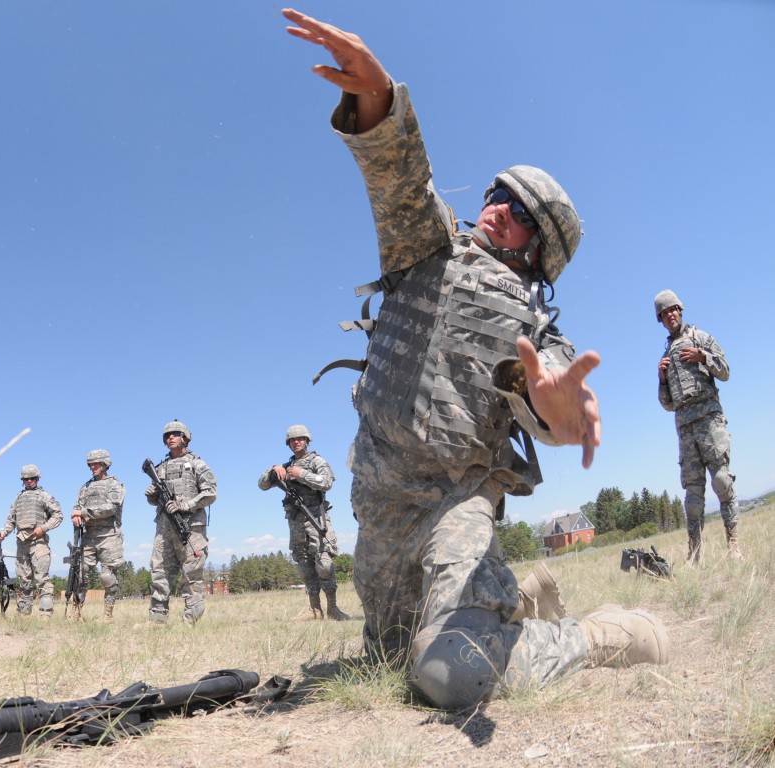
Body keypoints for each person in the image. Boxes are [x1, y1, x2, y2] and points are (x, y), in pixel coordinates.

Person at [282, 9, 667, 709]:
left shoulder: (532, 321)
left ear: (537, 249)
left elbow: (544, 390)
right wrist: (378, 99)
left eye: (518, 212)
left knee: (448, 673)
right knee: (390, 657)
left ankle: (612, 632)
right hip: (381, 509)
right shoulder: (424, 248)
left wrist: (556, 410)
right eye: (495, 195)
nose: (496, 210)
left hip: (454, 507)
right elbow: (399, 178)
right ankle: (523, 594)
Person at [655, 289, 741, 562]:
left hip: (709, 421)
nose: (670, 316)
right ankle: (694, 554)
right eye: (664, 314)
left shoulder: (700, 338)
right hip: (685, 428)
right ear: (660, 320)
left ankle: (733, 546)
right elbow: (667, 404)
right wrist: (661, 377)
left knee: (721, 482)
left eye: (672, 310)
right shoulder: (666, 354)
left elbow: (725, 371)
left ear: (680, 309)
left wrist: (703, 356)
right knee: (693, 496)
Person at [259, 425, 351, 621]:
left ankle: (333, 608)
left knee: (324, 565)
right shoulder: (285, 467)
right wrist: (273, 470)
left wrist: (302, 475)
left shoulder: (317, 461)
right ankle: (314, 610)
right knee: (304, 567)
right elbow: (262, 485)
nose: (296, 442)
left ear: (307, 441)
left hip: (317, 519)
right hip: (296, 522)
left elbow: (327, 482)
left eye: (300, 439)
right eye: (292, 440)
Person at [144, 420, 216, 625]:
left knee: (191, 574)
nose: (170, 438)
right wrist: (152, 495)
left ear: (185, 437)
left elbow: (211, 493)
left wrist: (187, 505)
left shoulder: (197, 464)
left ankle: (190, 621)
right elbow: (154, 501)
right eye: (167, 436)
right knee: (160, 573)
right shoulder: (160, 469)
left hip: (190, 529)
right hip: (164, 529)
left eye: (175, 434)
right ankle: (157, 620)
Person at [0, 464, 63, 619]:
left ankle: (45, 616)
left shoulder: (44, 496)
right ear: (22, 480)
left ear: (37, 479)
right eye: (26, 479)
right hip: (21, 544)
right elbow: (11, 520)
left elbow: (58, 515)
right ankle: (24, 614)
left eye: (32, 478)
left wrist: (43, 528)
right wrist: (3, 532)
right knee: (24, 581)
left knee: (42, 580)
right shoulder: (19, 498)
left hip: (38, 543)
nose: (29, 481)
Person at [69, 449, 126, 622]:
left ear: (105, 464)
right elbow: (77, 508)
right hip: (88, 537)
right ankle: (76, 612)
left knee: (107, 576)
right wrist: (77, 516)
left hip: (109, 536)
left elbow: (112, 507)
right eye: (90, 464)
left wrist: (83, 511)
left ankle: (107, 614)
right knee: (80, 574)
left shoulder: (115, 485)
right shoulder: (85, 487)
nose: (92, 467)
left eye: (96, 464)